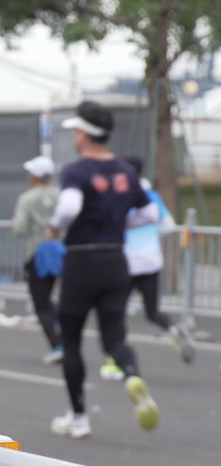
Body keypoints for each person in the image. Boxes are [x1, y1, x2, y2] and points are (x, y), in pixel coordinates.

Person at [47, 101, 161, 438]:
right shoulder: (126, 170)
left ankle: (79, 417)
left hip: (82, 261)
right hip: (115, 260)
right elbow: (150, 214)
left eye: (76, 132)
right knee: (114, 337)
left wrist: (54, 228)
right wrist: (121, 223)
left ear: (84, 134)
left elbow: (70, 207)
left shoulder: (76, 171)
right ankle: (130, 373)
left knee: (71, 340)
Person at [99, 154, 192, 380]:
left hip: (127, 263)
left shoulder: (118, 195)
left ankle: (117, 362)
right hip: (151, 261)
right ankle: (172, 329)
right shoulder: (151, 196)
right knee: (152, 311)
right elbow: (168, 226)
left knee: (116, 313)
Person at [11, 155, 63, 364]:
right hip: (61, 251)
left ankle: (57, 345)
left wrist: (14, 225)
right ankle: (61, 325)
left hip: (37, 253)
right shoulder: (62, 195)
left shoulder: (27, 198)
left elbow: (20, 228)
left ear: (34, 176)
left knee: (41, 303)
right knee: (55, 297)